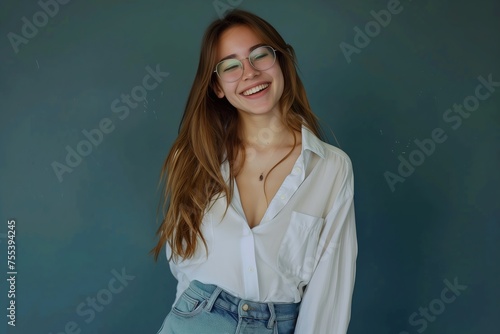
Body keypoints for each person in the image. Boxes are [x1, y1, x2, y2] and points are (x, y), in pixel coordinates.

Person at [151, 9, 357, 334]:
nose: (249, 73)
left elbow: (329, 291)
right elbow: (185, 269)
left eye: (260, 56)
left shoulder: (330, 168)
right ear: (217, 87)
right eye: (230, 66)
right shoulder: (192, 158)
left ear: (281, 64)